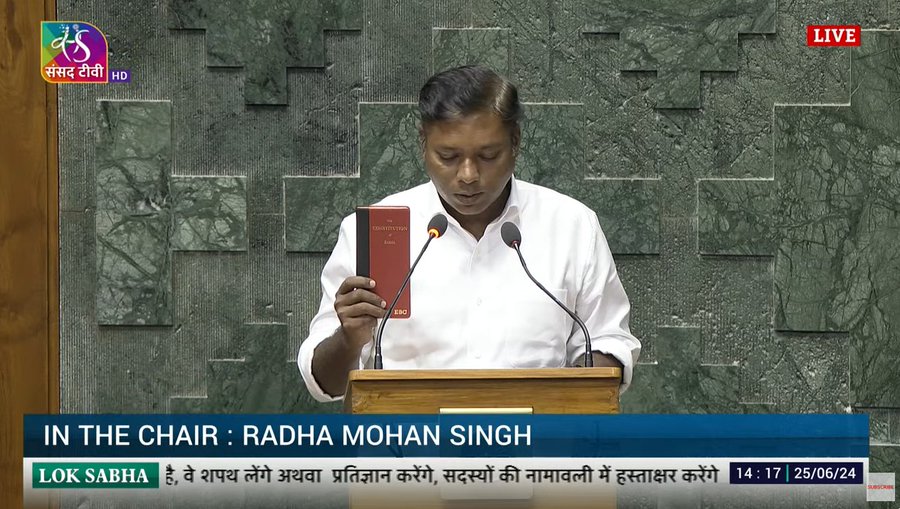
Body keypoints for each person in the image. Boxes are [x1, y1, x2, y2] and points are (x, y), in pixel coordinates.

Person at [297, 65, 641, 402]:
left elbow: (610, 341)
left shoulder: (571, 226)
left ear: (516, 143)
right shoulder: (372, 230)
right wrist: (349, 338)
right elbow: (323, 383)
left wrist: (567, 395)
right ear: (423, 144)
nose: (468, 175)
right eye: (448, 156)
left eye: (488, 156)